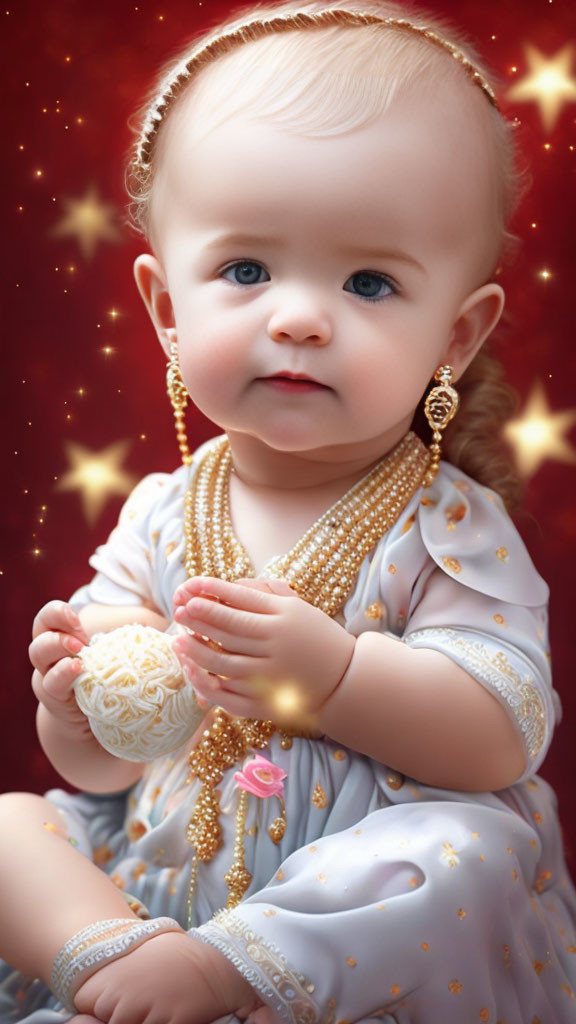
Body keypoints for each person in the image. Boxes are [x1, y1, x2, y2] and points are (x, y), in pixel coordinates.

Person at [1, 1, 575, 1021]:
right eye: (247, 270)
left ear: (456, 334)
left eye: (368, 281)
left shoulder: (449, 527)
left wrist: (335, 675)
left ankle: (227, 973)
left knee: (470, 847)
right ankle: (107, 955)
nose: (300, 317)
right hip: (161, 871)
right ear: (167, 312)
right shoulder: (161, 513)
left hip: (353, 926)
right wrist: (76, 705)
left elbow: (500, 739)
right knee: (11, 825)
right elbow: (104, 765)